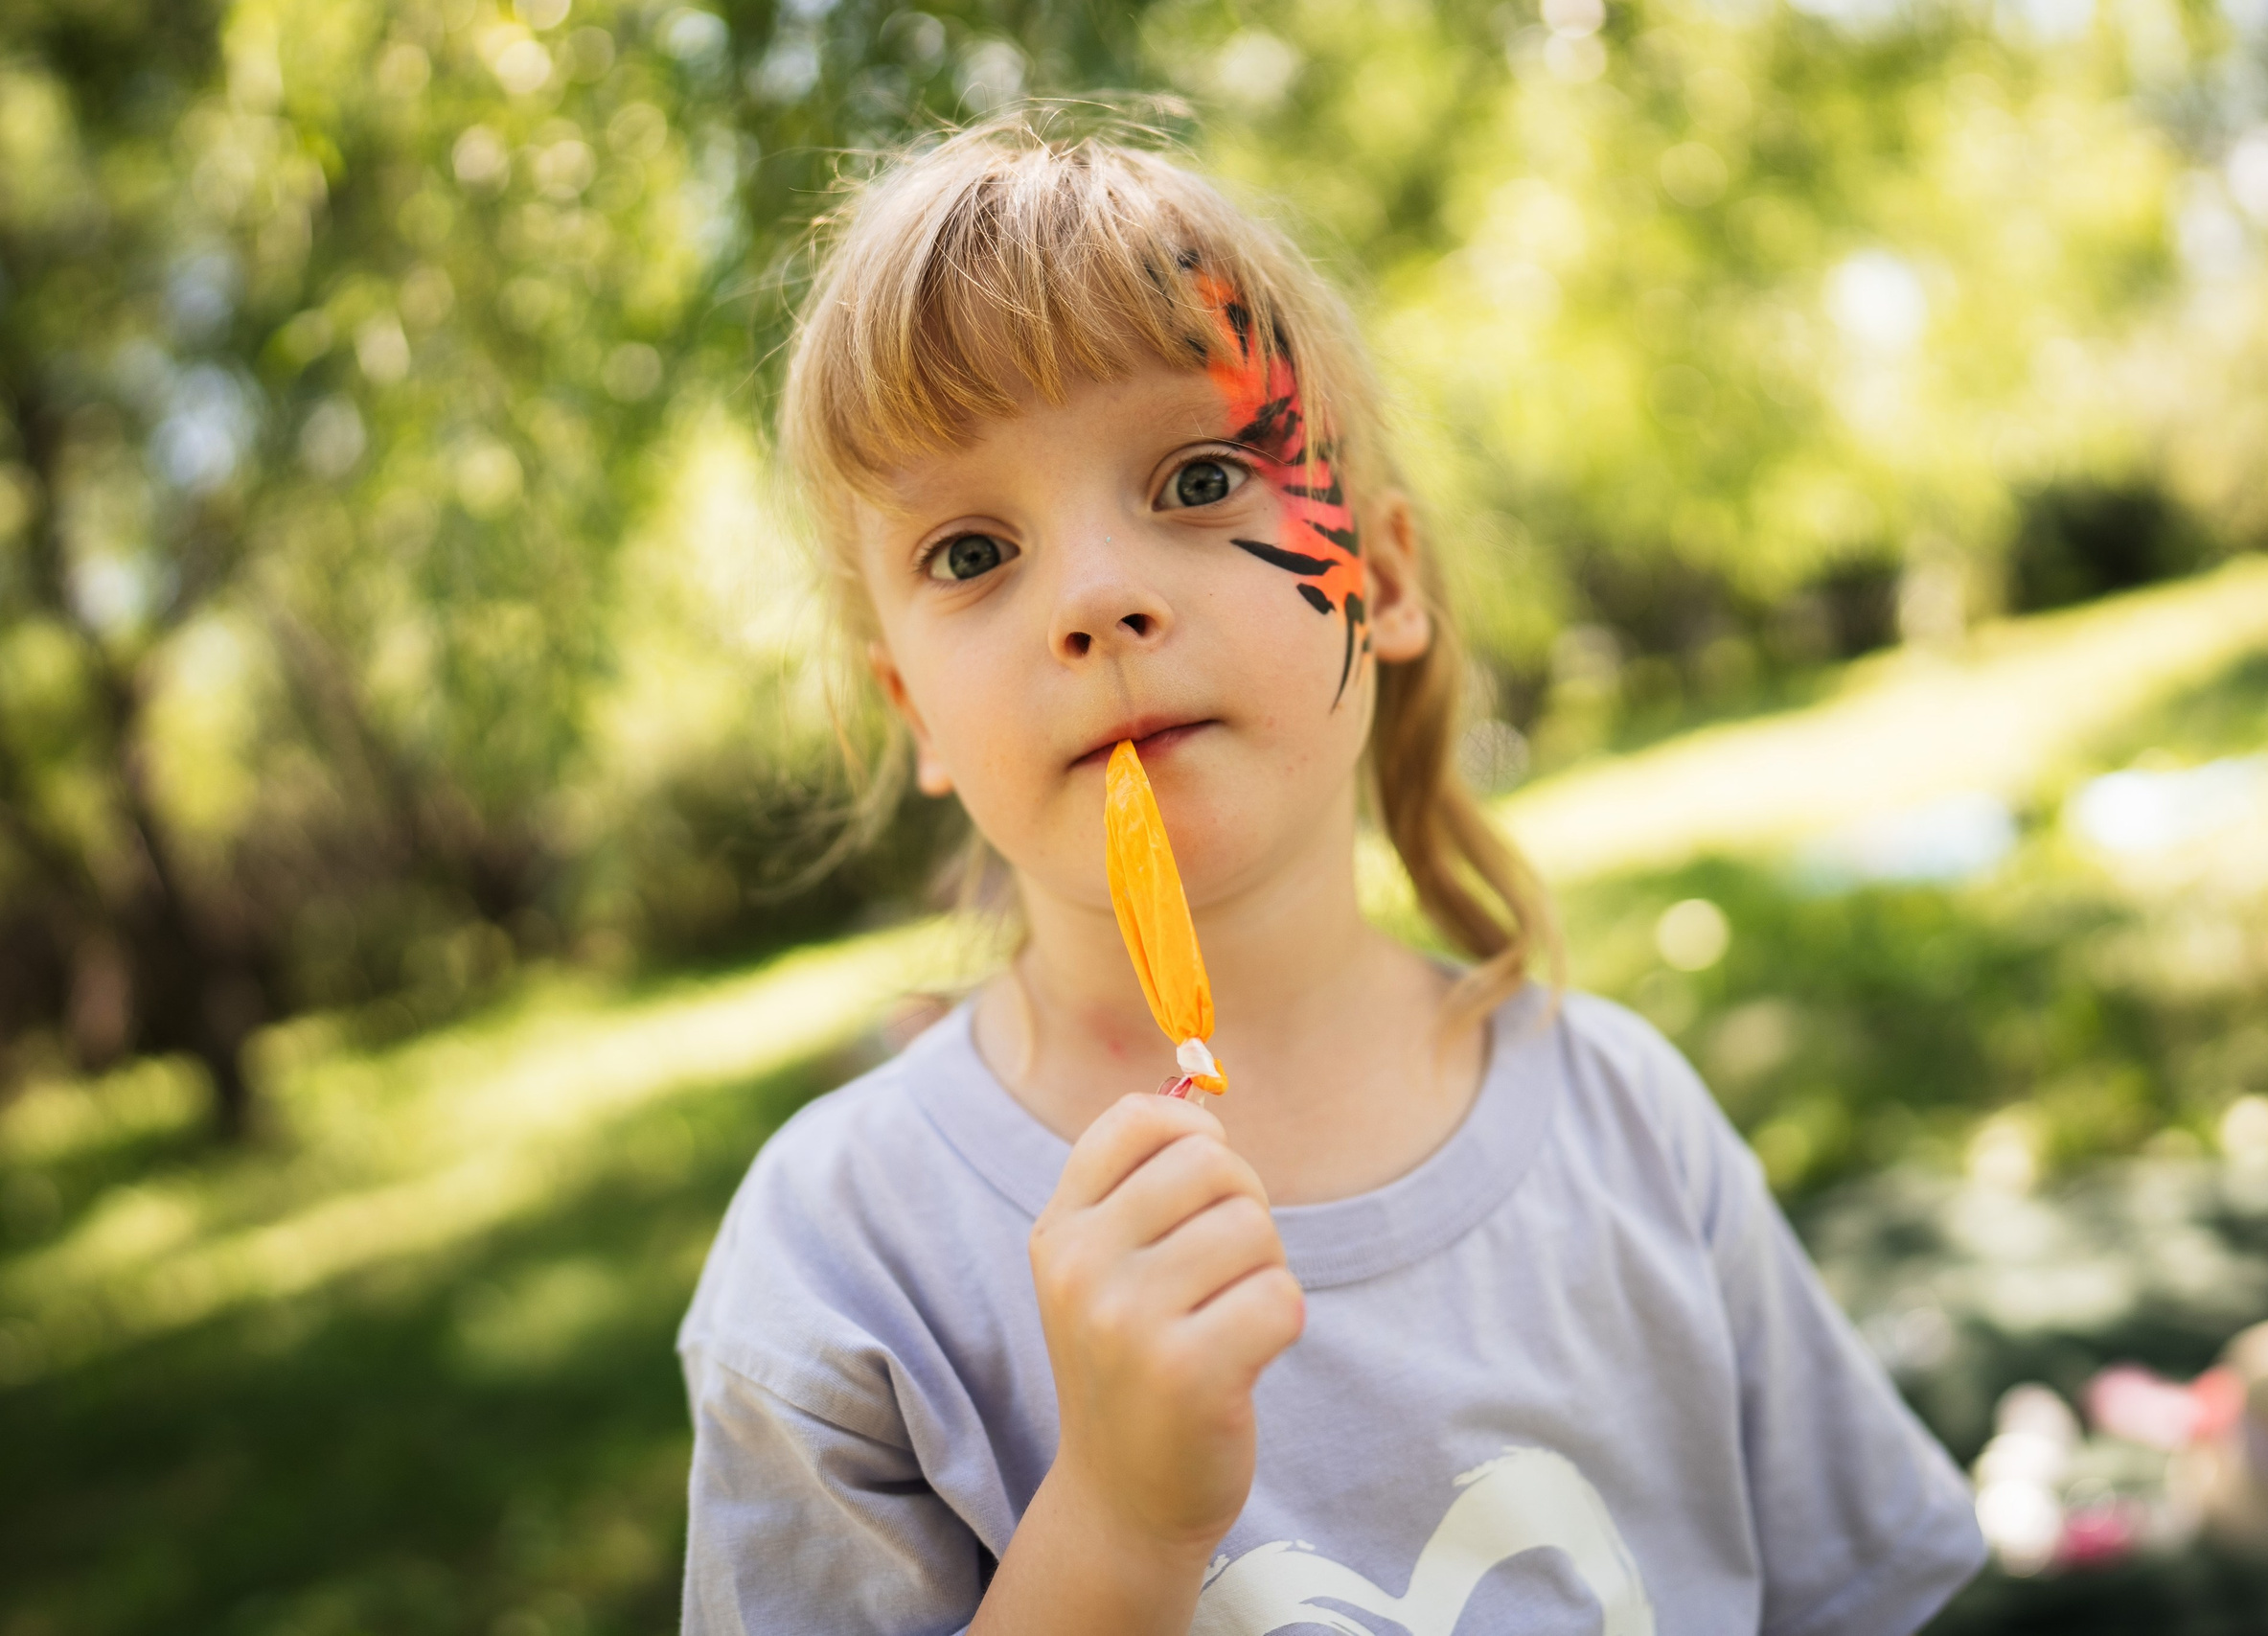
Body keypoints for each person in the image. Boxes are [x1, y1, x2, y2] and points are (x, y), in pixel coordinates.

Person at [678, 114, 1984, 1636]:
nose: (1096, 598)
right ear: (917, 717)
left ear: (1387, 570)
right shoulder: (842, 1268)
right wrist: (1110, 1527)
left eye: (1199, 474)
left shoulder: (1628, 1127)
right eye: (971, 553)